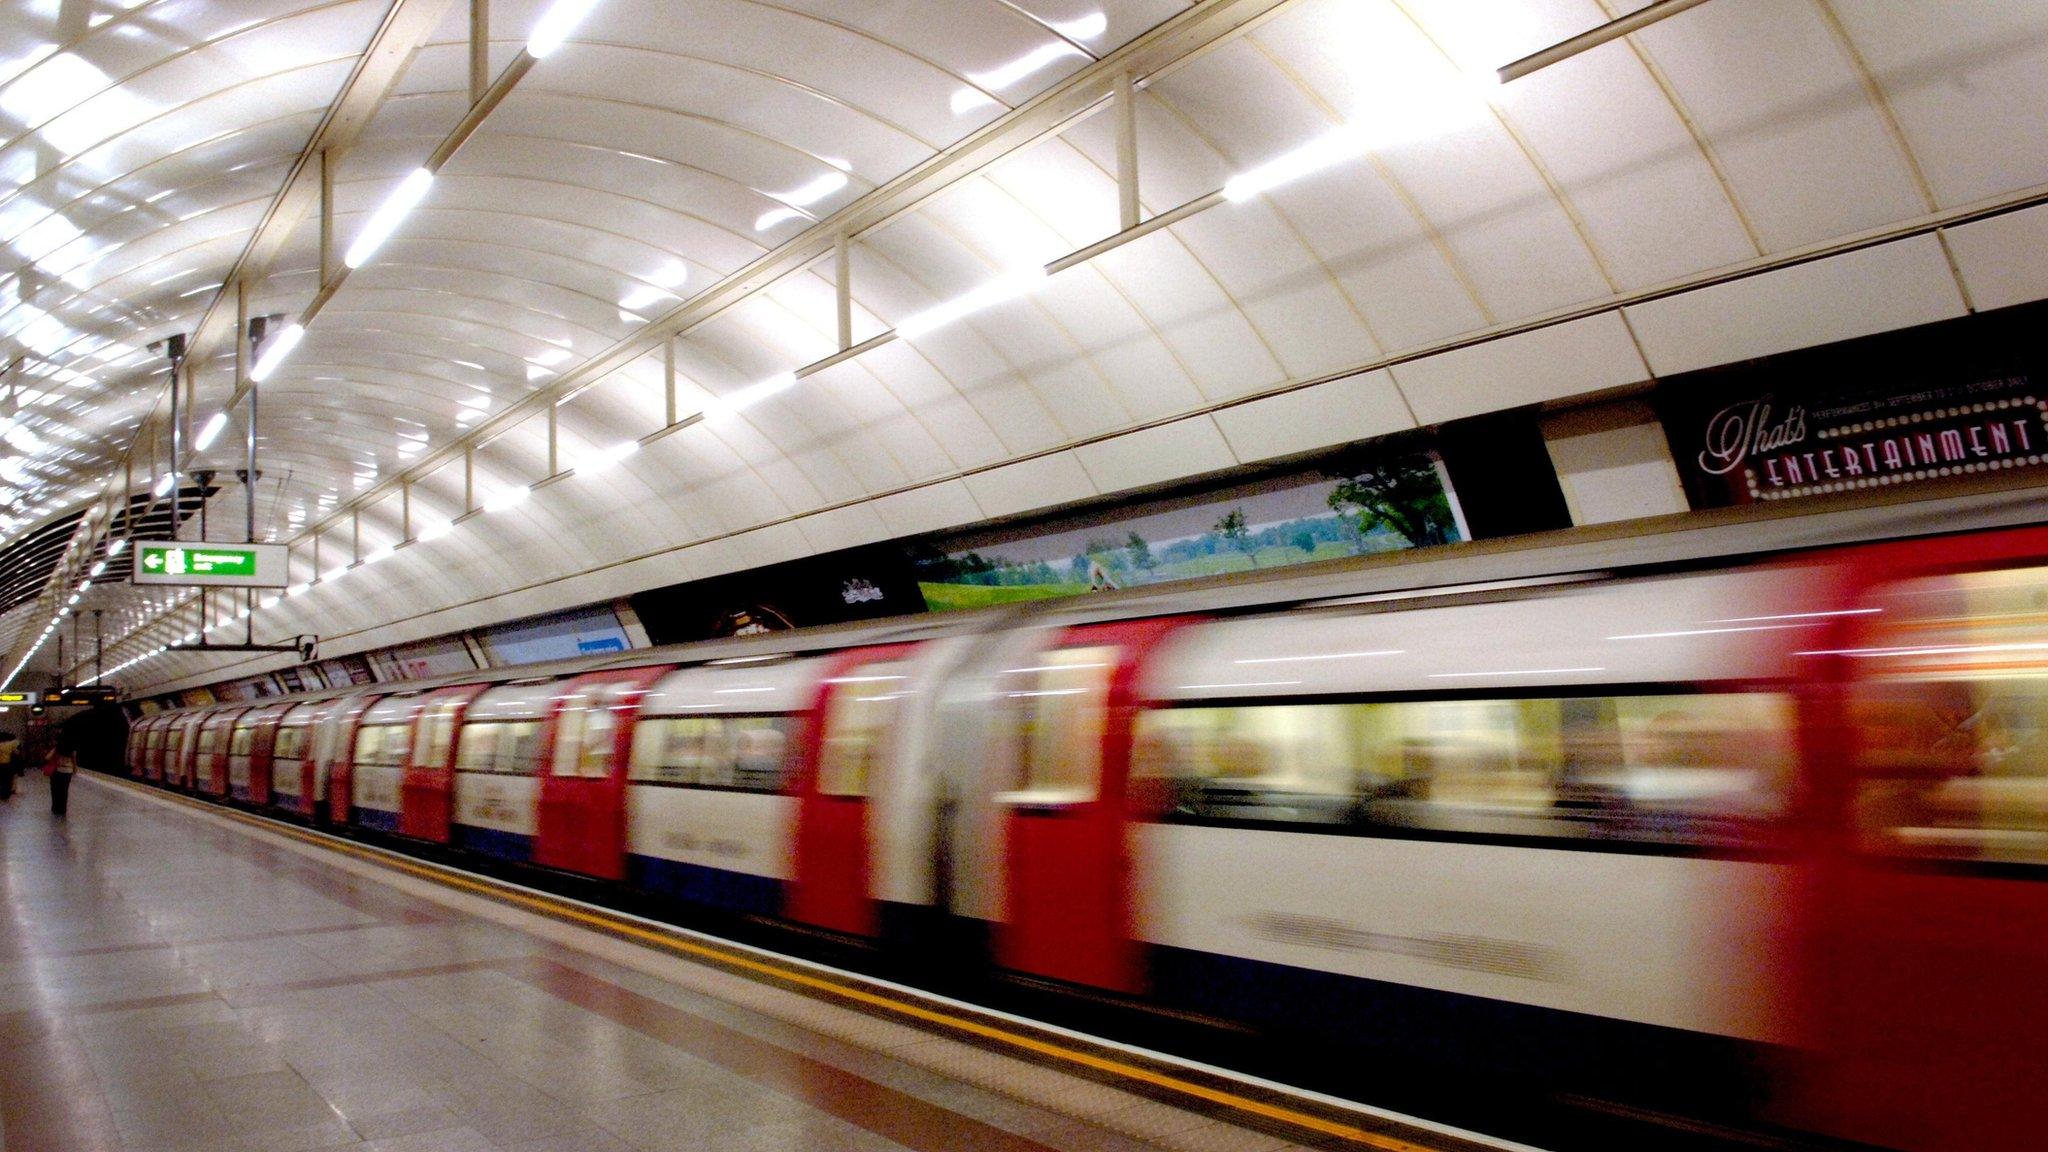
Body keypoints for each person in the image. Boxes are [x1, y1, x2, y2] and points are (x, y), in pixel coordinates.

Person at [45, 728, 77, 817]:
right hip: (68, 771)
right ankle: (62, 810)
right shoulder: (72, 747)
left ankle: (55, 808)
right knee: (64, 790)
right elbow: (74, 759)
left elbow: (47, 758)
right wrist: (75, 768)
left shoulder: (58, 746)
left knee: (55, 790)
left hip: (57, 770)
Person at [0, 730, 16, 800]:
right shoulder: (10, 744)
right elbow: (16, 752)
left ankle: (1, 793)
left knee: (1, 780)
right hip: (8, 764)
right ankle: (6, 795)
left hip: (1, 764)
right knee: (7, 780)